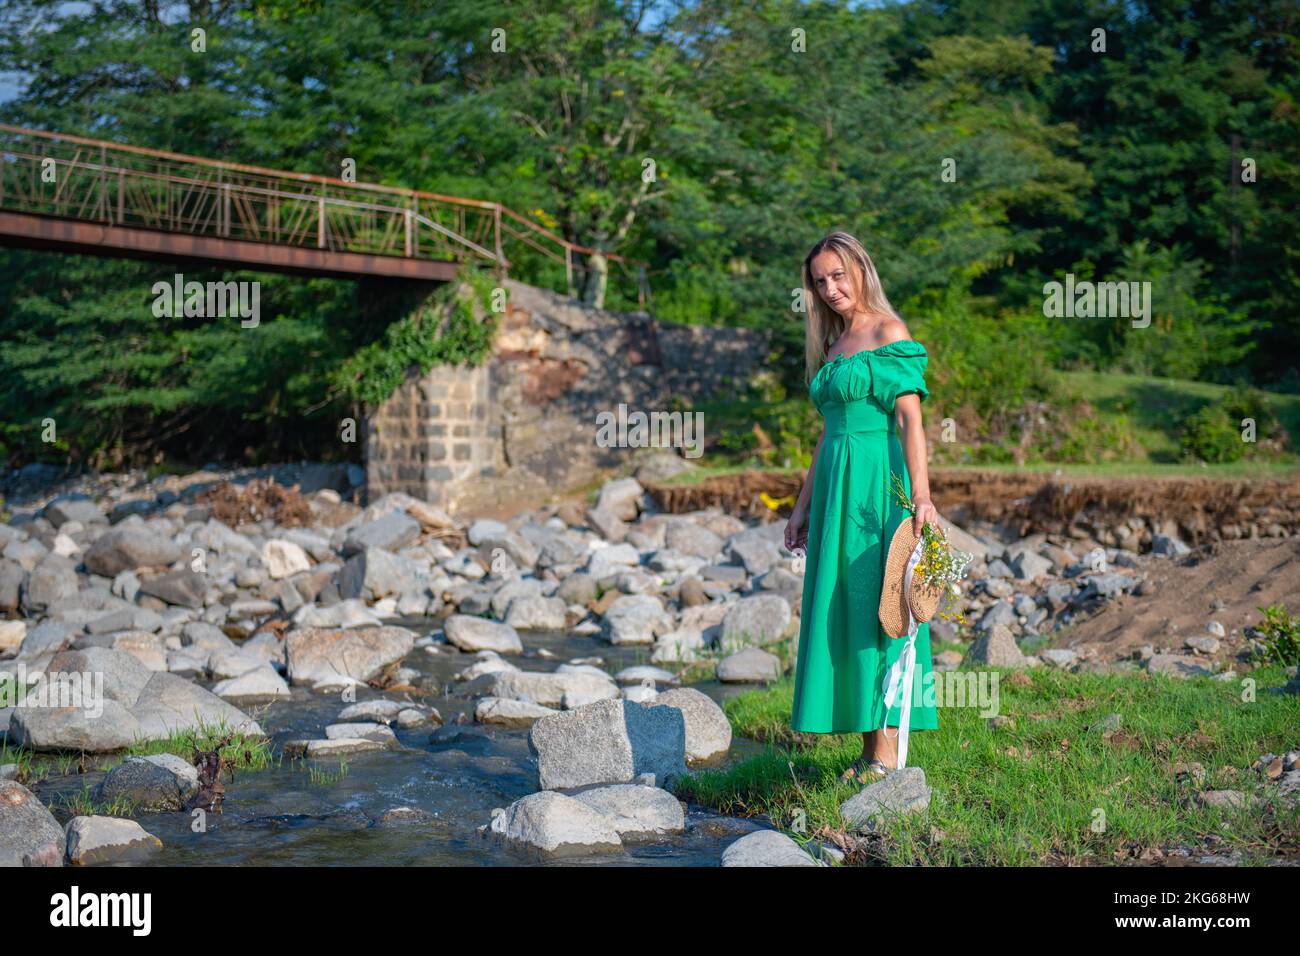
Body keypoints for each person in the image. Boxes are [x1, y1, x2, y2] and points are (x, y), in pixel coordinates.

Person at [783, 231, 941, 785]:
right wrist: (801, 508)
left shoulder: (887, 333)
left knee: (884, 605)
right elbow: (827, 437)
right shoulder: (832, 345)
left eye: (837, 276)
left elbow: (911, 421)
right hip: (835, 487)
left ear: (859, 270)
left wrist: (920, 497)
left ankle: (887, 751)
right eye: (819, 281)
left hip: (877, 484)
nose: (829, 289)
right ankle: (869, 747)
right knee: (845, 606)